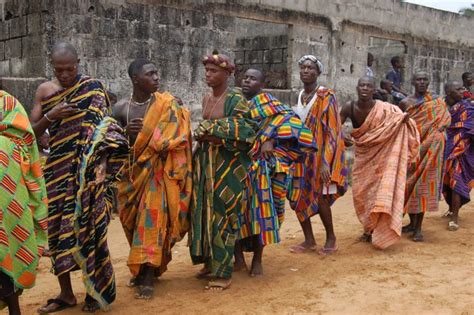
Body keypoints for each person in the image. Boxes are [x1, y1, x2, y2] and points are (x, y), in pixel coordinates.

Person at [30, 42, 129, 313]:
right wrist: (52, 115)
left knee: (91, 228)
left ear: (78, 62)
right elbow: (31, 132)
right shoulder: (44, 91)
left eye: (70, 69)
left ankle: (95, 292)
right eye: (59, 70)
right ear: (52, 67)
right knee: (56, 232)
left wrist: (102, 169)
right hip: (57, 171)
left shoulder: (93, 88)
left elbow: (107, 130)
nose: (64, 75)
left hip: (88, 173)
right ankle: (65, 293)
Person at [113, 59, 193, 299]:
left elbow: (180, 137)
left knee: (152, 222)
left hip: (158, 175)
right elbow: (110, 144)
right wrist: (126, 135)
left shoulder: (167, 105)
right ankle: (143, 267)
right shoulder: (120, 109)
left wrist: (159, 141)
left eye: (157, 73)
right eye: (150, 74)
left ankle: (147, 275)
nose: (157, 78)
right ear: (136, 79)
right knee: (131, 223)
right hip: (131, 177)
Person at [235, 68, 316, 276]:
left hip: (265, 166)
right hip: (239, 163)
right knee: (235, 212)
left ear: (262, 84)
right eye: (245, 77)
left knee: (263, 211)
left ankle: (257, 260)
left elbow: (293, 122)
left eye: (253, 78)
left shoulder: (271, 104)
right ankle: (238, 259)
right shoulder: (235, 102)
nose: (247, 81)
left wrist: (270, 138)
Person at [189, 51, 257, 291]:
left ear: (228, 73)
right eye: (206, 70)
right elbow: (204, 133)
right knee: (203, 212)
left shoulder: (236, 100)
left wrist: (212, 130)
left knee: (224, 217)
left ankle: (223, 272)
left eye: (214, 71)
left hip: (229, 167)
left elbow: (248, 131)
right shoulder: (206, 99)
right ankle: (209, 262)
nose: (208, 74)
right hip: (206, 164)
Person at [340, 76, 419, 248]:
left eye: (369, 86)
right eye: (362, 85)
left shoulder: (385, 108)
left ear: (374, 89)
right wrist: (341, 137)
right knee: (361, 193)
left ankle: (375, 230)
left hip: (382, 156)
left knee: (380, 192)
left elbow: (404, 119)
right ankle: (368, 227)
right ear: (357, 87)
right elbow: (334, 126)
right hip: (362, 155)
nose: (365, 89)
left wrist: (403, 120)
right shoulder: (349, 107)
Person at [290, 55, 348, 255]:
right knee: (295, 196)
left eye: (311, 68)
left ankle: (331, 237)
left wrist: (325, 163)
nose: (306, 71)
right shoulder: (298, 96)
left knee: (322, 197)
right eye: (303, 67)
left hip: (322, 156)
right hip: (301, 156)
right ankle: (309, 239)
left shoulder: (326, 96)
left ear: (318, 72)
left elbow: (332, 131)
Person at [0, 91, 48, 315]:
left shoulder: (7, 104)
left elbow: (25, 139)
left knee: (8, 247)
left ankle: (14, 309)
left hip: (8, 198)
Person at [398, 70, 451, 242]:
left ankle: (418, 229)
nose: (421, 82)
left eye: (425, 79)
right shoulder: (405, 102)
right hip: (411, 150)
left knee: (422, 187)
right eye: (418, 79)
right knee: (407, 185)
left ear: (429, 82)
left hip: (430, 151)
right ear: (412, 81)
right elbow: (399, 124)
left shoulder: (436, 102)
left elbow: (445, 121)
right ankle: (412, 224)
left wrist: (437, 137)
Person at [442, 80, 474, 231]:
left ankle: (455, 217)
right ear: (449, 92)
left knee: (456, 180)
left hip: (462, 151)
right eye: (458, 89)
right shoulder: (441, 107)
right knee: (447, 181)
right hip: (445, 148)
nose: (463, 91)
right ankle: (450, 210)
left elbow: (471, 128)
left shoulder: (468, 108)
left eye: (462, 88)